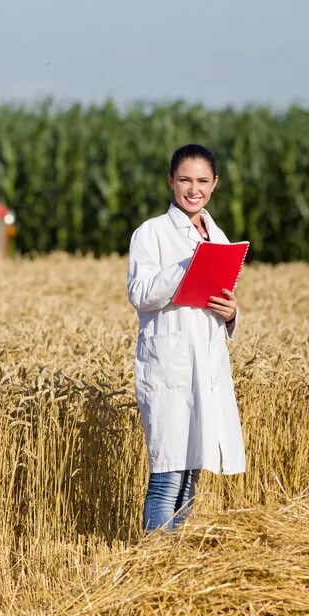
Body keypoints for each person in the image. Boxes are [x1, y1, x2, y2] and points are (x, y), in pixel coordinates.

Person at [126, 143, 243, 533]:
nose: (194, 189)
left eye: (203, 181)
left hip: (205, 369)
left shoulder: (219, 236)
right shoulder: (151, 233)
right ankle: (155, 561)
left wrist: (231, 314)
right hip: (170, 370)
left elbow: (218, 302)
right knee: (167, 478)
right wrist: (186, 266)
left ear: (215, 184)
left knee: (191, 479)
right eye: (185, 180)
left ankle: (177, 562)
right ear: (170, 182)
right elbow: (140, 293)